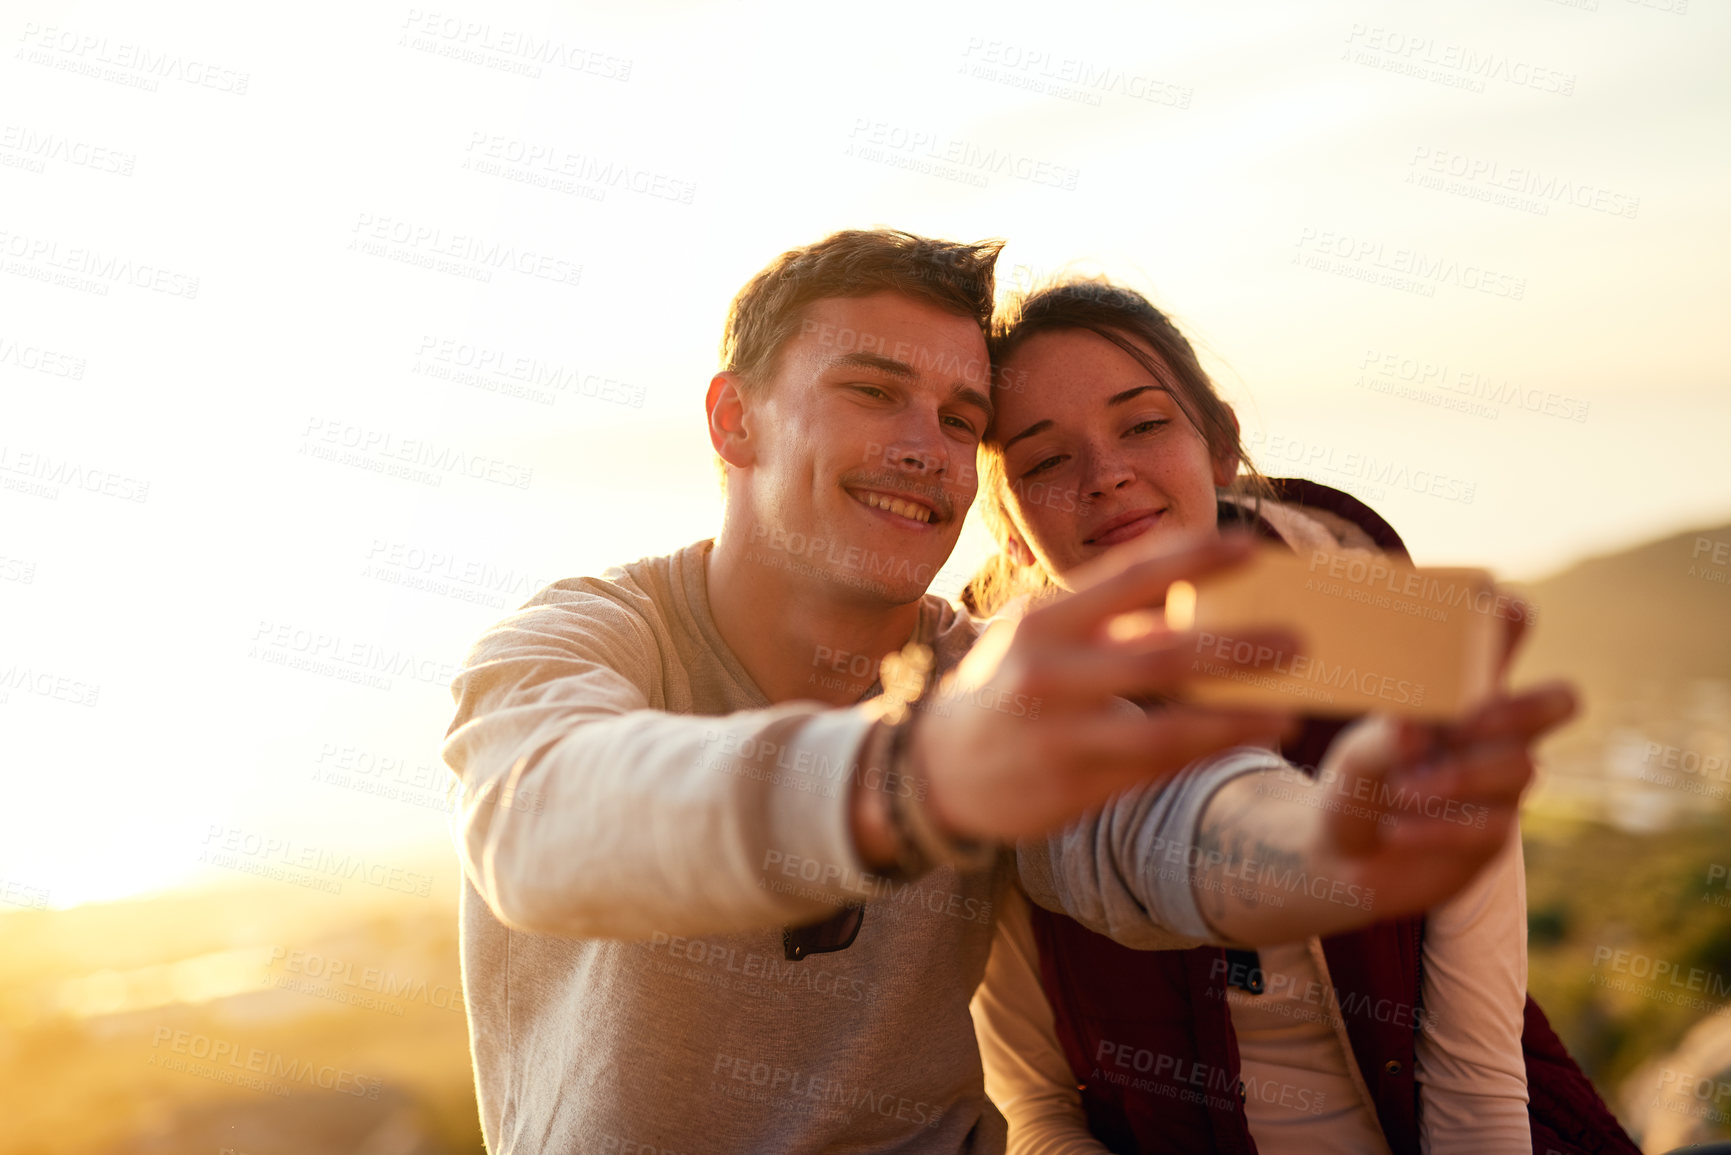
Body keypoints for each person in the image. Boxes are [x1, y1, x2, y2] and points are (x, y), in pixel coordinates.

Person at [440, 230, 1575, 1152]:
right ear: (735, 420)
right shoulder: (587, 637)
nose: (925, 447)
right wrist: (908, 779)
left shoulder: (990, 675)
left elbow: (1151, 826)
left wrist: (1330, 845)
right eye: (875, 391)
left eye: (958, 419)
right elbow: (539, 821)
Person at [962, 277, 1638, 1154]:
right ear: (1011, 528)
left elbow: (1475, 1082)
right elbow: (1037, 1106)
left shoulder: (1397, 654)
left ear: (1219, 447)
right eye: (1045, 461)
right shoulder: (988, 727)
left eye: (1143, 423)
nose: (1107, 474)